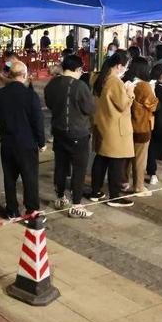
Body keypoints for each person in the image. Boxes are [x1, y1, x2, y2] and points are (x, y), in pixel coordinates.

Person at [44, 54, 95, 219]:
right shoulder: (80, 86)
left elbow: (49, 103)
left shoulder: (52, 84)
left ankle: (60, 198)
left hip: (58, 131)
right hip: (78, 133)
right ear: (78, 69)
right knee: (79, 169)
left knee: (60, 165)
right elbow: (89, 108)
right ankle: (76, 205)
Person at [0, 61, 45, 219]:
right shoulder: (30, 95)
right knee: (30, 178)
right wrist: (41, 142)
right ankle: (31, 210)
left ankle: (12, 210)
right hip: (27, 143)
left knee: (9, 178)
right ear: (24, 75)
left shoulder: (0, 94)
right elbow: (38, 121)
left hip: (7, 142)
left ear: (10, 75)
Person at [91, 50, 136, 207]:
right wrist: (130, 92)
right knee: (117, 162)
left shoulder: (98, 77)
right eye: (126, 67)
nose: (126, 69)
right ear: (119, 66)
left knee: (101, 159)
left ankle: (95, 192)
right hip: (116, 128)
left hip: (101, 124)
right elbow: (123, 105)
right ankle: (114, 197)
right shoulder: (115, 82)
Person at [127, 57, 158, 197]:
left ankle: (124, 182)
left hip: (128, 125)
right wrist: (153, 90)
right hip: (141, 126)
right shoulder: (144, 86)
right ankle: (138, 186)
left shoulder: (128, 82)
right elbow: (153, 105)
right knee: (140, 159)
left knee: (127, 158)